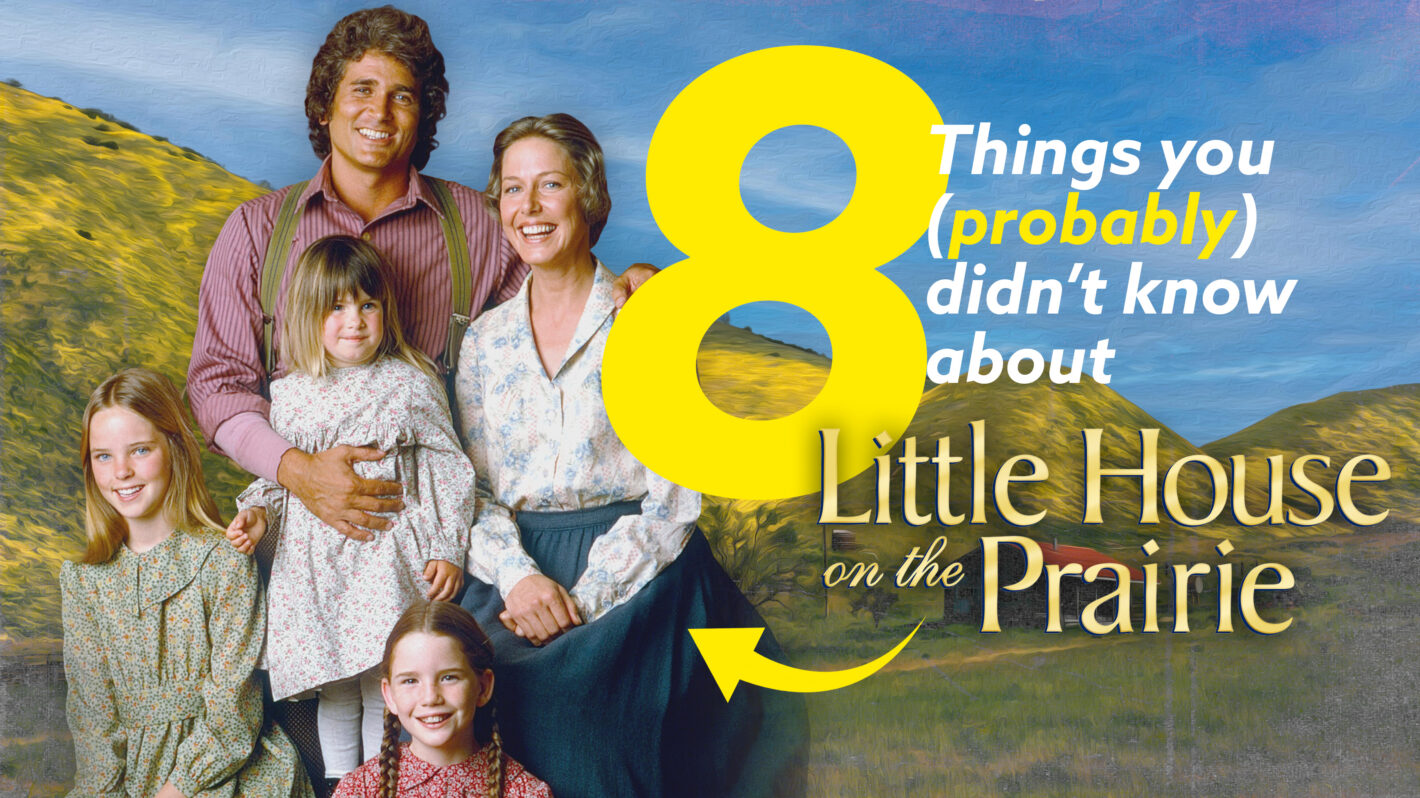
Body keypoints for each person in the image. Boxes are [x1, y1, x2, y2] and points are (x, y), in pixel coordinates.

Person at [188, 6, 651, 543]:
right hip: (297, 541)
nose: (379, 112)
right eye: (361, 89)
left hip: (443, 548)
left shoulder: (481, 225)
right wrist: (298, 471)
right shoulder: (255, 231)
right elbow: (217, 388)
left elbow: (563, 296)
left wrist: (634, 280)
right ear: (323, 108)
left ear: (422, 115)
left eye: (402, 96)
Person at [456, 113, 807, 798]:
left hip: (639, 570)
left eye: (549, 185)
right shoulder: (484, 341)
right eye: (512, 190)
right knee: (461, 709)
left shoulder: (647, 317)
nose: (528, 209)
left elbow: (673, 495)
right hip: (511, 573)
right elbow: (468, 490)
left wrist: (583, 603)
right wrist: (520, 580)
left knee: (598, 727)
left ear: (588, 197)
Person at [225, 236, 477, 782]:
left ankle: (385, 786)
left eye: (367, 305)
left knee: (386, 686)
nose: (355, 321)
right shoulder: (291, 395)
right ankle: (347, 790)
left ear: (385, 310)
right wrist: (256, 516)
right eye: (336, 307)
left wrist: (447, 548)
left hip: (385, 561)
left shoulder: (409, 383)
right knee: (337, 695)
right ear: (309, 316)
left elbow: (448, 471)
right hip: (317, 575)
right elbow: (277, 481)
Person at [62, 368, 311, 798]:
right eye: (103, 456)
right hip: (129, 781)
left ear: (174, 447)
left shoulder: (224, 561)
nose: (121, 471)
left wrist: (177, 789)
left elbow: (235, 713)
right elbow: (93, 722)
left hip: (226, 771)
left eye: (139, 450)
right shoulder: (85, 583)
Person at [332, 602, 551, 798]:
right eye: (410, 681)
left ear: (482, 687)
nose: (430, 697)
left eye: (448, 677)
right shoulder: (357, 790)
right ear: (389, 696)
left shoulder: (524, 792)